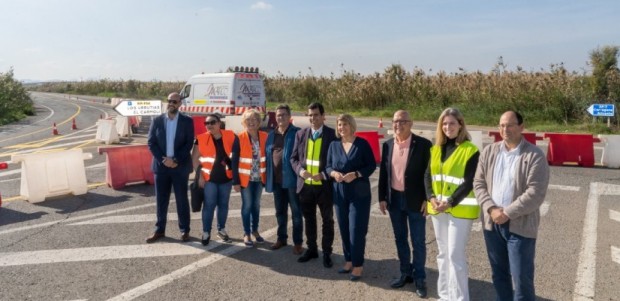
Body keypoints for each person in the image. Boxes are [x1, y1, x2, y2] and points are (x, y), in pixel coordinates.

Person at [474, 111, 550, 300]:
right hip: (492, 224)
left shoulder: (534, 155)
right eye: (501, 125)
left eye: (509, 125)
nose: (504, 130)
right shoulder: (489, 151)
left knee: (521, 279)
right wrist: (491, 209)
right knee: (499, 276)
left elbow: (535, 193)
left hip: (520, 226)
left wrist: (507, 212)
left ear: (521, 127)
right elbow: (479, 183)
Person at [424, 108, 480, 301]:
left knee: (455, 256)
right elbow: (427, 176)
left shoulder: (470, 150)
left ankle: (460, 298)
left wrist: (449, 202)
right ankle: (445, 295)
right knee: (443, 254)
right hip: (438, 209)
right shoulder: (436, 148)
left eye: (452, 123)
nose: (448, 127)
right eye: (444, 124)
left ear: (460, 125)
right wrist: (431, 197)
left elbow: (469, 181)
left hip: (460, 210)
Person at [378, 110, 431, 298]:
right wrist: (382, 197)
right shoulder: (388, 145)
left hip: (416, 201)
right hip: (394, 201)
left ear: (411, 123)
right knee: (400, 239)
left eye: (402, 121)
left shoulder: (424, 145)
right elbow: (384, 173)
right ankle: (405, 273)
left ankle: (420, 278)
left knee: (418, 241)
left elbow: (429, 174)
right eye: (395, 121)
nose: (397, 124)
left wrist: (428, 198)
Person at [326, 114, 376, 281]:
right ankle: (348, 260)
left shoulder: (362, 144)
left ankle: (358, 265)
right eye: (339, 125)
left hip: (359, 193)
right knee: (344, 228)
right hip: (339, 192)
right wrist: (333, 173)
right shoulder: (333, 145)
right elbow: (327, 166)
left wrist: (356, 174)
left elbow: (371, 165)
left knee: (356, 229)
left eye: (345, 124)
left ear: (352, 126)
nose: (341, 128)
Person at [290, 102, 337, 268]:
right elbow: (293, 159)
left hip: (324, 186)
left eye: (316, 115)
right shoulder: (301, 134)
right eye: (310, 115)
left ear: (323, 116)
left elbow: (337, 161)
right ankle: (312, 249)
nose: (313, 118)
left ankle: (327, 253)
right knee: (309, 219)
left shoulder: (332, 135)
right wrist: (300, 172)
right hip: (305, 186)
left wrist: (324, 174)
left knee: (327, 221)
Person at [146, 92, 195, 243]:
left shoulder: (187, 121)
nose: (171, 103)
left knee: (181, 199)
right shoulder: (157, 120)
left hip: (179, 167)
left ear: (180, 103)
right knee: (161, 200)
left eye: (174, 101)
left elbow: (188, 143)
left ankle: (184, 230)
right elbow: (151, 142)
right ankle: (159, 230)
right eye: (169, 101)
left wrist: (175, 160)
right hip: (161, 167)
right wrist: (164, 160)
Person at [192, 114, 240, 245]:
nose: (209, 125)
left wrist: (230, 165)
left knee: (223, 205)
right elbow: (194, 159)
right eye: (206, 123)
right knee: (209, 206)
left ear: (219, 123)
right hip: (209, 180)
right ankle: (206, 231)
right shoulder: (200, 139)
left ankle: (221, 229)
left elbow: (236, 156)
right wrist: (199, 175)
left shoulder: (231, 135)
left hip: (226, 179)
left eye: (212, 122)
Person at [265, 104, 304, 254]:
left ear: (289, 116)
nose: (280, 117)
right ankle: (281, 239)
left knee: (296, 212)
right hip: (276, 181)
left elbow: (302, 156)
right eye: (278, 115)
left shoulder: (298, 133)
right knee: (280, 211)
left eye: (283, 115)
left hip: (292, 181)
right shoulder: (271, 135)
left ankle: (298, 242)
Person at [237, 109, 268, 247]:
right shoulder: (239, 137)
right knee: (247, 206)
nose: (251, 122)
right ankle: (246, 233)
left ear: (259, 122)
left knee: (256, 205)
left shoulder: (265, 136)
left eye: (254, 119)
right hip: (246, 179)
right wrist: (235, 181)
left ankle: (255, 230)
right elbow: (233, 160)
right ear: (244, 122)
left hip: (260, 178)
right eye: (248, 120)